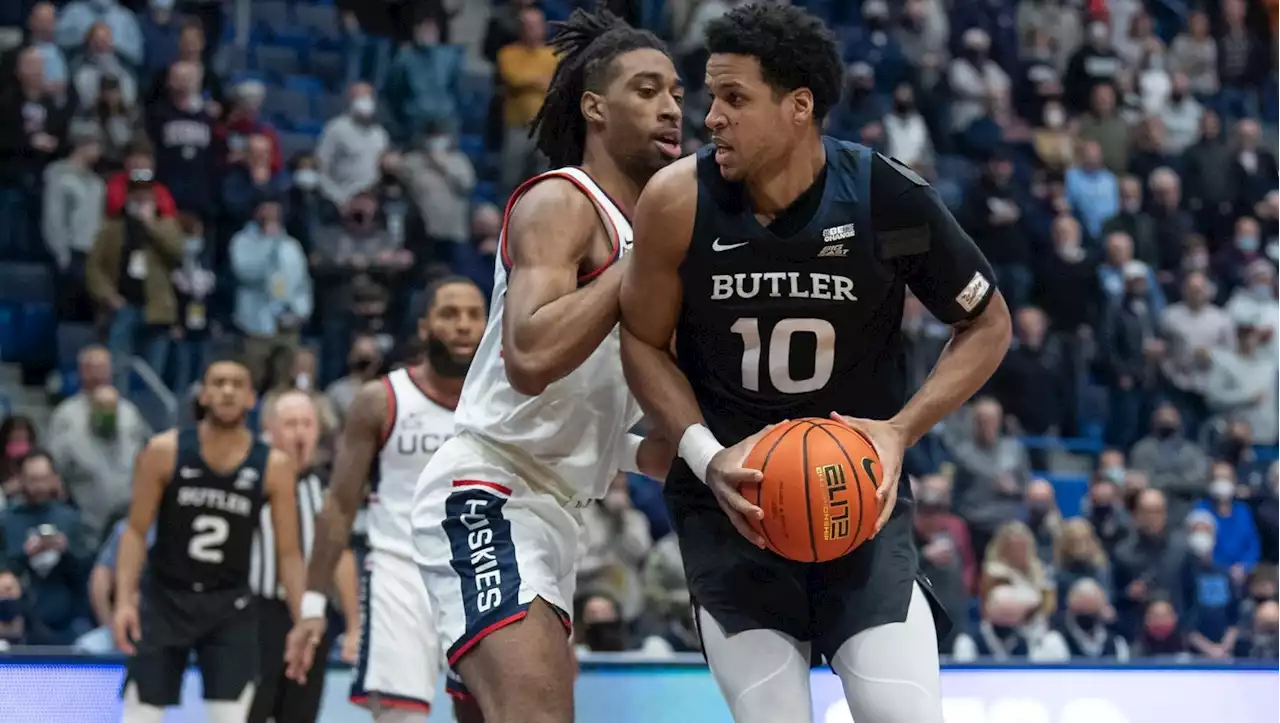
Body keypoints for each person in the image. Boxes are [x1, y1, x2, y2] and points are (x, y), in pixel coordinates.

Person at [618, 5, 1012, 723]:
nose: (710, 118)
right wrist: (706, 455)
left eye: (735, 98)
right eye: (711, 96)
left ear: (799, 106)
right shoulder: (678, 200)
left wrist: (898, 430)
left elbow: (987, 323)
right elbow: (640, 341)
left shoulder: (886, 198)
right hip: (729, 506)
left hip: (855, 499)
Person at [300, 8, 679, 723]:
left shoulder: (647, 242)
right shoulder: (562, 201)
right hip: (490, 493)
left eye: (678, 94)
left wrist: (715, 457)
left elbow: (616, 431)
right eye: (647, 89)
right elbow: (530, 354)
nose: (671, 108)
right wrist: (637, 267)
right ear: (594, 106)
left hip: (558, 513)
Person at [284, 276, 489, 723]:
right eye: (450, 314)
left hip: (484, 571)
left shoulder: (505, 400)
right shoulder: (382, 399)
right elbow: (338, 505)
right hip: (401, 570)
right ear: (423, 327)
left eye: (475, 315)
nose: (463, 326)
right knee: (399, 716)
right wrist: (314, 607)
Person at [113, 356, 307, 723]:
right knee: (139, 713)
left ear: (251, 398)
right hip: (166, 597)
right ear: (203, 395)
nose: (228, 391)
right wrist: (125, 600)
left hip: (229, 604)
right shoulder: (164, 451)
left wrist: (300, 618)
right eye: (218, 383)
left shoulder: (273, 466)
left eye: (237, 384)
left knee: (230, 716)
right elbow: (135, 531)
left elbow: (289, 553)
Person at [248, 390, 361, 723]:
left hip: (313, 616)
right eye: (290, 423)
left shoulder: (327, 486)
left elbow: (340, 556)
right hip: (256, 614)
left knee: (301, 713)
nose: (300, 432)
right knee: (253, 709)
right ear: (268, 429)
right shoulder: (249, 479)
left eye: (307, 423)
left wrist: (354, 625)